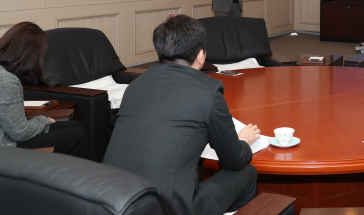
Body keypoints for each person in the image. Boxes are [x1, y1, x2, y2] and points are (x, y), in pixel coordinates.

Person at [103, 15, 259, 215]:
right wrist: (243, 141)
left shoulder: (135, 86)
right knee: (247, 173)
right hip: (167, 208)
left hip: (112, 202)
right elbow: (233, 160)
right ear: (201, 55)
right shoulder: (207, 90)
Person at [0, 22, 87, 157]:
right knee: (77, 135)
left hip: (9, 133)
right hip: (7, 145)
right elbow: (20, 133)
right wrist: (44, 120)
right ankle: (83, 176)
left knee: (76, 127)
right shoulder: (7, 81)